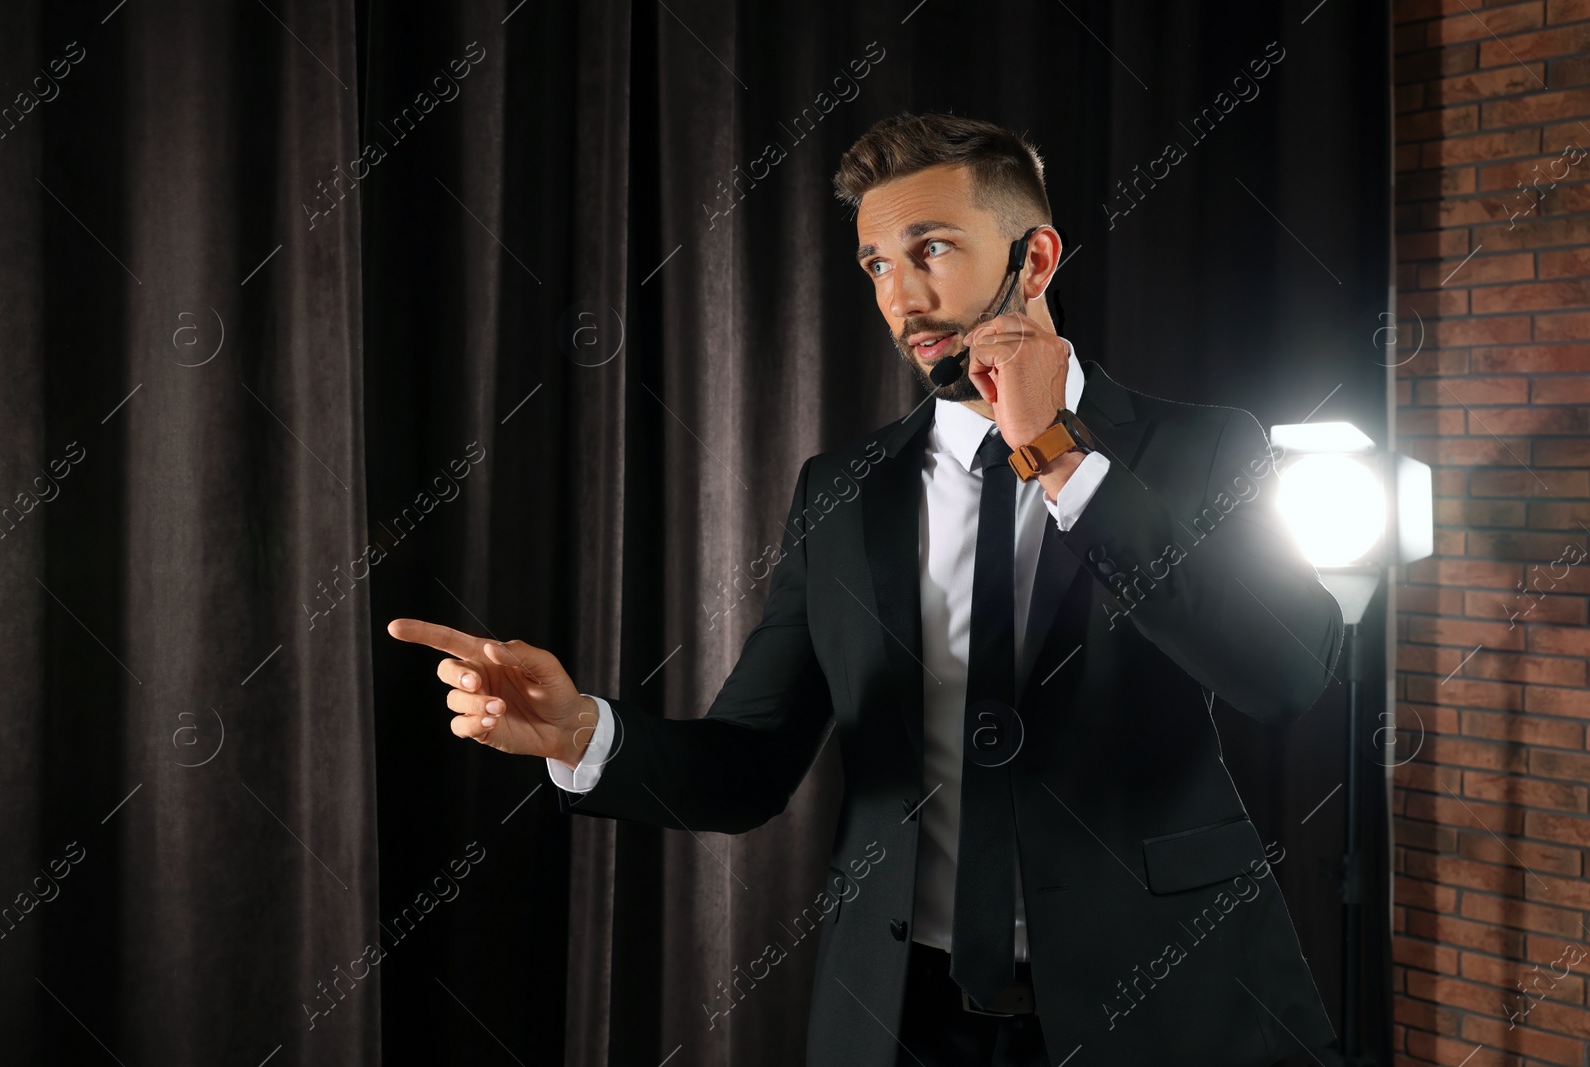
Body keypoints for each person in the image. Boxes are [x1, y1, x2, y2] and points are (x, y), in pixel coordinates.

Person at [390, 112, 1344, 1067]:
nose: (902, 298)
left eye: (930, 250)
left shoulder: (1201, 447)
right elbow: (750, 765)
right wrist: (583, 734)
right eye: (878, 264)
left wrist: (1057, 454)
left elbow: (1285, 671)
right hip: (903, 1025)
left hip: (1170, 1008)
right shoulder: (840, 492)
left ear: (1037, 257)